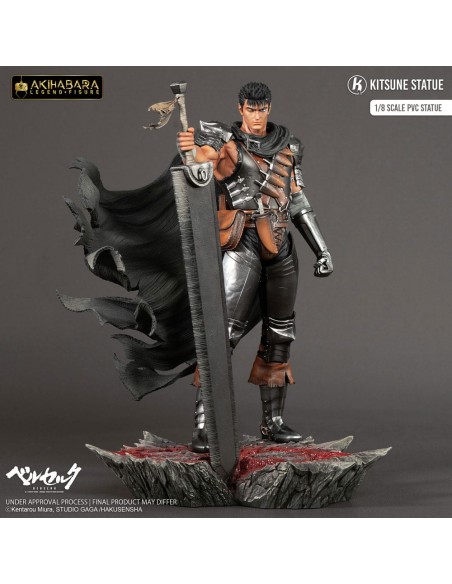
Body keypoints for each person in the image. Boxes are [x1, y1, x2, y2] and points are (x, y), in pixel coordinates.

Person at [177, 82, 333, 452]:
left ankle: (273, 422)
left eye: (262, 109)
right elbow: (202, 167)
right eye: (251, 109)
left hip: (280, 244)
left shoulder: (289, 145)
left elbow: (298, 201)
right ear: (241, 108)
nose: (257, 115)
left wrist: (322, 249)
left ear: (269, 108)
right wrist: (191, 153)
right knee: (224, 333)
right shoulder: (226, 142)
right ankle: (204, 424)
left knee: (281, 333)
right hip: (243, 240)